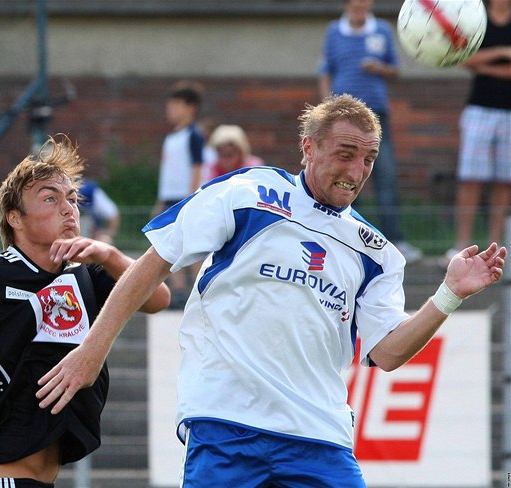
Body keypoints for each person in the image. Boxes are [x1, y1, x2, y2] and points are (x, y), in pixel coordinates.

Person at [35, 95, 506, 487]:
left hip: (319, 437)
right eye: (345, 153)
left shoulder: (378, 253)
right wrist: (92, 351)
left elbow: (387, 353)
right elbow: (151, 266)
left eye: (369, 159)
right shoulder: (247, 192)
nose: (358, 170)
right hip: (225, 423)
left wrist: (448, 294)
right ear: (308, 147)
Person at [0, 135, 170, 488]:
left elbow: (158, 298)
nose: (68, 209)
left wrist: (108, 254)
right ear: (14, 218)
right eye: (50, 199)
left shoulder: (85, 275)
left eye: (72, 199)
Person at [318, 0, 423, 264]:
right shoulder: (334, 31)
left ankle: (393, 240)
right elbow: (325, 71)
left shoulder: (383, 30)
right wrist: (327, 108)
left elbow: (395, 70)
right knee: (346, 174)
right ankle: (347, 237)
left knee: (384, 174)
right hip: (342, 120)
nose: (360, 6)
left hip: (376, 116)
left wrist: (379, 69)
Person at [445, 0, 511, 263]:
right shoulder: (476, 19)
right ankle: (461, 245)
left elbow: (475, 61)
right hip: (478, 109)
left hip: (508, 112)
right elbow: (462, 57)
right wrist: (502, 53)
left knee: (504, 182)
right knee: (470, 178)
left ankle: (495, 245)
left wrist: (482, 65)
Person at [151, 80, 206, 308]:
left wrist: (191, 196)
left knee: (192, 244)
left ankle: (198, 287)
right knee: (168, 244)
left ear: (190, 108)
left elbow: (196, 166)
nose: (170, 111)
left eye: (176, 106)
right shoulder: (171, 137)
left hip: (184, 197)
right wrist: (160, 201)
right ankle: (179, 290)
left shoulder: (194, 135)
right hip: (169, 198)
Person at [78, 179, 120, 244]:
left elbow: (113, 214)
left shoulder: (89, 190)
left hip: (90, 236)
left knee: (105, 240)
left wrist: (108, 233)